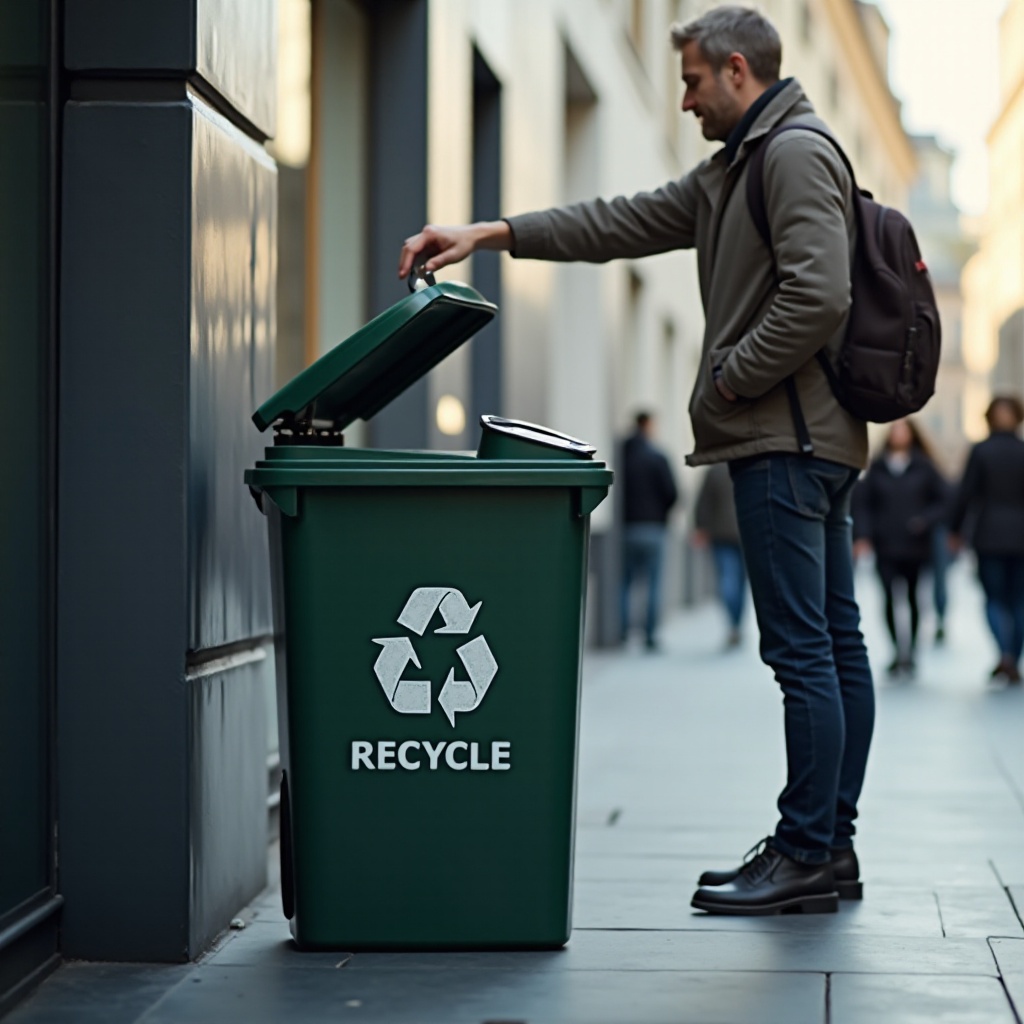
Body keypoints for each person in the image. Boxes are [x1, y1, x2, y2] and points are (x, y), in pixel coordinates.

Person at [399, 7, 875, 915]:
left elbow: (820, 294)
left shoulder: (792, 153)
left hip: (788, 441)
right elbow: (617, 221)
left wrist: (733, 380)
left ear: (739, 71)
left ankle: (812, 845)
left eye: (694, 81)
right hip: (807, 437)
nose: (686, 99)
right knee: (830, 649)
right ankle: (826, 846)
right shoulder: (735, 169)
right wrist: (488, 234)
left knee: (807, 653)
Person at [852, 420, 949, 678]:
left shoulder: (925, 466)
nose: (898, 435)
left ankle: (912, 651)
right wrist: (863, 535)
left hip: (916, 546)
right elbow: (862, 504)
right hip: (885, 545)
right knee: (888, 599)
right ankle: (897, 651)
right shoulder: (878, 468)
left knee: (915, 599)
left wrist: (925, 521)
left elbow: (944, 499)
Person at [949, 396, 1024, 685]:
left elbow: (965, 494)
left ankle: (1005, 654)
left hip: (989, 534)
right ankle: (1012, 659)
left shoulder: (981, 451)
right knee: (1018, 599)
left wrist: (955, 530)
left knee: (994, 598)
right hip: (1020, 535)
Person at [620, 412, 679, 651]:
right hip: (653, 527)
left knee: (625, 583)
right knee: (653, 584)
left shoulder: (623, 457)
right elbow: (672, 493)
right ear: (649, 426)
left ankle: (623, 633)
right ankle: (650, 635)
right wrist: (662, 515)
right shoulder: (657, 457)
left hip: (627, 527)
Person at [692, 462, 746, 648]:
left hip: (720, 535)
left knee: (727, 579)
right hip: (744, 535)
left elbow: (702, 502)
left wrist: (700, 527)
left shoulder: (715, 470)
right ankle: (735, 624)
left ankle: (733, 624)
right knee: (739, 582)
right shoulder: (747, 466)